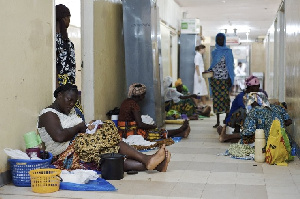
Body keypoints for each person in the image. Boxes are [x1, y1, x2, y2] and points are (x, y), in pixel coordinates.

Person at [38, 84, 171, 172]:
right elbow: (59, 136)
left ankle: (152, 163)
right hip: (65, 155)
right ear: (59, 96)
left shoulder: (69, 111)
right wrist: (79, 127)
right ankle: (149, 161)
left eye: (74, 102)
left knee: (109, 146)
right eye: (69, 100)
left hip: (82, 145)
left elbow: (80, 129)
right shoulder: (48, 114)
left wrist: (90, 126)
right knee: (107, 148)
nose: (72, 104)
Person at [118, 83, 190, 140]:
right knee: (154, 132)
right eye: (144, 95)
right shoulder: (134, 105)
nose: (144, 96)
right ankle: (180, 130)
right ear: (140, 96)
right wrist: (153, 126)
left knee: (154, 132)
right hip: (128, 133)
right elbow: (140, 125)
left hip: (123, 131)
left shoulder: (126, 101)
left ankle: (181, 133)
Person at [218, 92, 292, 143]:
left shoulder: (255, 111)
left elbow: (248, 133)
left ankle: (226, 137)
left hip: (266, 142)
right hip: (283, 141)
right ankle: (226, 137)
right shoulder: (279, 108)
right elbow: (289, 122)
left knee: (249, 137)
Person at [56, 4, 84, 120]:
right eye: (68, 18)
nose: (69, 21)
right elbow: (55, 65)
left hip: (70, 85)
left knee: (77, 115)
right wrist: (58, 86)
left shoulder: (67, 42)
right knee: (71, 116)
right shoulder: (55, 41)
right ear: (64, 18)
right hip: (62, 84)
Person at [208, 33, 235, 128]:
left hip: (224, 80)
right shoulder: (214, 52)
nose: (219, 41)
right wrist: (209, 70)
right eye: (218, 39)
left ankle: (227, 119)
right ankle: (218, 121)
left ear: (224, 40)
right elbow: (214, 64)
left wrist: (229, 78)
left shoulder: (228, 51)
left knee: (225, 100)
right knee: (216, 100)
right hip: (215, 80)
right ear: (216, 40)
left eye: (221, 39)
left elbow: (230, 66)